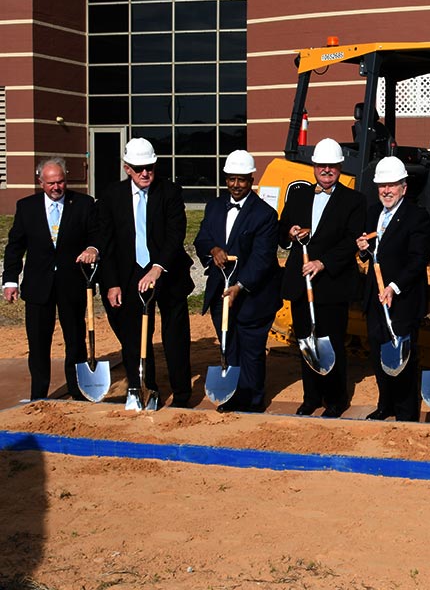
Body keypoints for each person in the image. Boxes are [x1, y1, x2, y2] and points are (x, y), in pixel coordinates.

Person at [96, 137, 194, 407]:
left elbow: (176, 235)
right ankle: (145, 387)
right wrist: (112, 283)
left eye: (149, 167)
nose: (145, 173)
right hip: (129, 276)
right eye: (138, 168)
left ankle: (182, 392)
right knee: (135, 335)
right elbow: (107, 242)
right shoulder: (111, 196)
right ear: (127, 168)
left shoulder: (170, 192)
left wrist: (157, 268)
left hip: (168, 273)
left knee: (175, 335)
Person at [279, 138, 365, 417]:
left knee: (332, 342)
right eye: (321, 165)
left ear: (340, 167)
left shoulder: (354, 200)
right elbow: (282, 233)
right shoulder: (299, 195)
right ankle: (311, 397)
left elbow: (351, 240)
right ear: (314, 166)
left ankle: (336, 400)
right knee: (306, 341)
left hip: (331, 283)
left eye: (332, 166)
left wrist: (323, 262)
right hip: (301, 281)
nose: (326, 170)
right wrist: (291, 232)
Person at [2, 157, 99, 400]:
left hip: (72, 284)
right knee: (38, 343)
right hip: (38, 285)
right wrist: (10, 280)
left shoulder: (84, 204)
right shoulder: (27, 207)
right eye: (51, 183)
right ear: (40, 182)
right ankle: (39, 394)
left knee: (75, 339)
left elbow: (97, 236)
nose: (57, 187)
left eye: (61, 182)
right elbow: (15, 246)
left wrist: (93, 249)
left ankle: (77, 391)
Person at [194, 150, 282, 413]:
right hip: (221, 292)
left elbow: (262, 258)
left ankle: (253, 400)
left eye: (241, 180)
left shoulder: (265, 214)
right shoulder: (215, 206)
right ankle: (231, 395)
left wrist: (240, 286)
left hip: (253, 295)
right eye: (231, 179)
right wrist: (213, 250)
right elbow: (202, 238)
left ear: (251, 179)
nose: (236, 185)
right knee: (228, 344)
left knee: (251, 350)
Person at [356, 156, 430, 422]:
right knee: (378, 354)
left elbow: (417, 259)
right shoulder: (372, 212)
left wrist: (394, 286)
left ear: (404, 187)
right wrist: (364, 250)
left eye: (392, 185)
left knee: (403, 356)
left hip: (402, 299)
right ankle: (385, 404)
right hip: (375, 298)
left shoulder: (417, 216)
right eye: (382, 186)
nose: (386, 191)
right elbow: (371, 252)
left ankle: (405, 410)